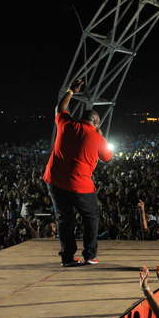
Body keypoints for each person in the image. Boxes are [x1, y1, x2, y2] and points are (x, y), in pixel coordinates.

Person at [43, 79, 113, 267]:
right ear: (96, 123)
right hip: (79, 185)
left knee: (64, 218)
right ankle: (90, 255)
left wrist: (71, 91)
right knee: (91, 216)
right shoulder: (97, 138)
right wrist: (101, 134)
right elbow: (107, 157)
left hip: (55, 180)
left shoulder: (66, 124)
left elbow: (60, 107)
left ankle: (67, 257)